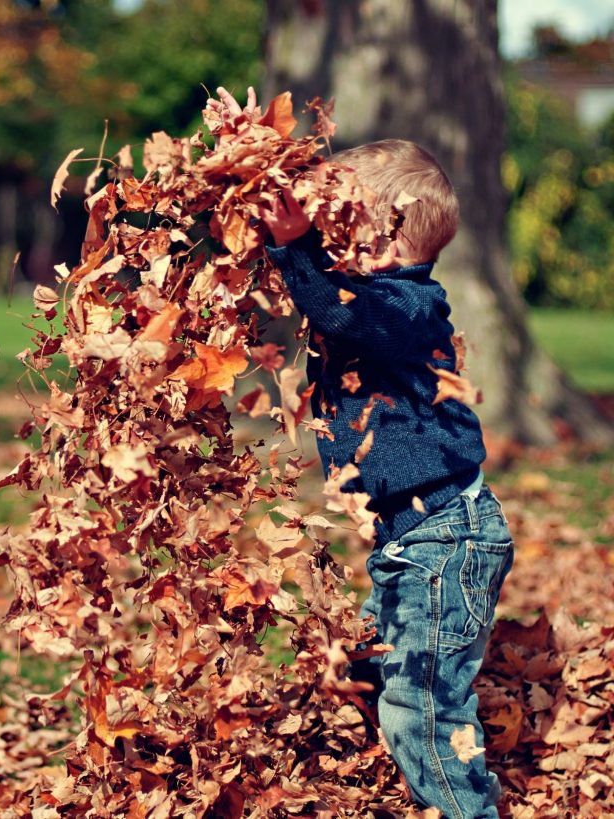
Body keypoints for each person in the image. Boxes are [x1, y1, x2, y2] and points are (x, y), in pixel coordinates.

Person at [210, 87, 515, 819]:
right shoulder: (371, 300)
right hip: (413, 539)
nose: (329, 242)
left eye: (341, 227)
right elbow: (328, 303)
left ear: (382, 236)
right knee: (379, 672)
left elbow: (343, 313)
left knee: (424, 708)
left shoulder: (407, 307)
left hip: (446, 540)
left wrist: (295, 248)